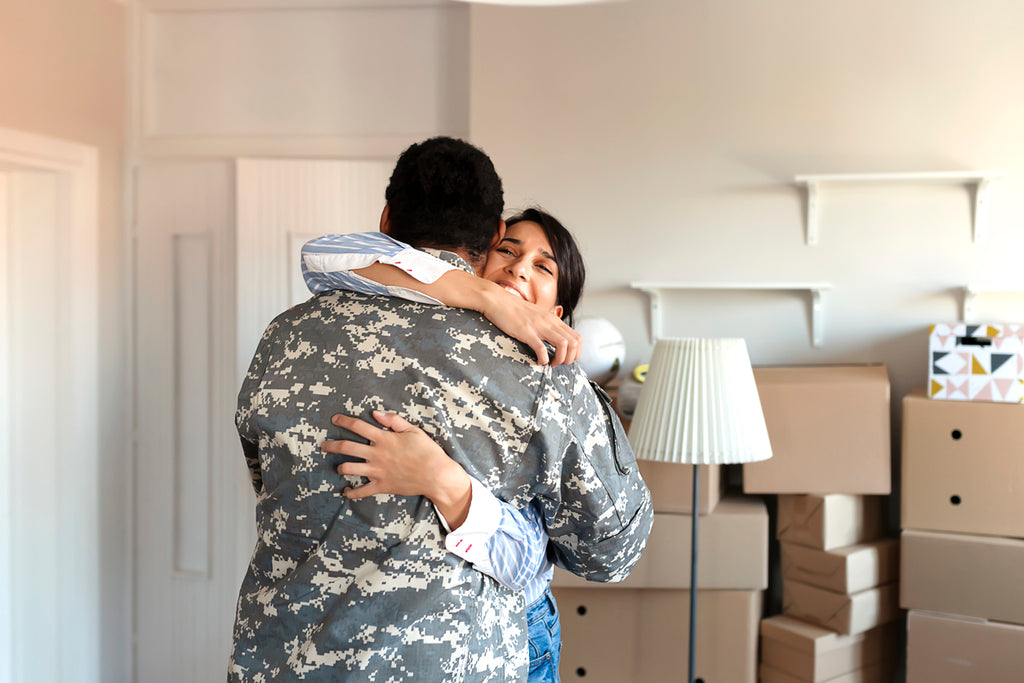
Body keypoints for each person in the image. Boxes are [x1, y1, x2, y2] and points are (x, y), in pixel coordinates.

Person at [230, 137, 653, 682]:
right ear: (495, 235)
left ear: (386, 220)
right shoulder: (537, 372)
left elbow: (266, 476)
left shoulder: (285, 337)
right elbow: (614, 550)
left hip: (284, 662)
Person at [301, 208, 592, 681]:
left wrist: (443, 481)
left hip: (514, 630)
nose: (519, 268)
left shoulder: (549, 395)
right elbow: (321, 255)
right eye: (509, 251)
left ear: (557, 316)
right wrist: (486, 298)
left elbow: (530, 568)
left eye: (543, 266)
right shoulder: (432, 331)